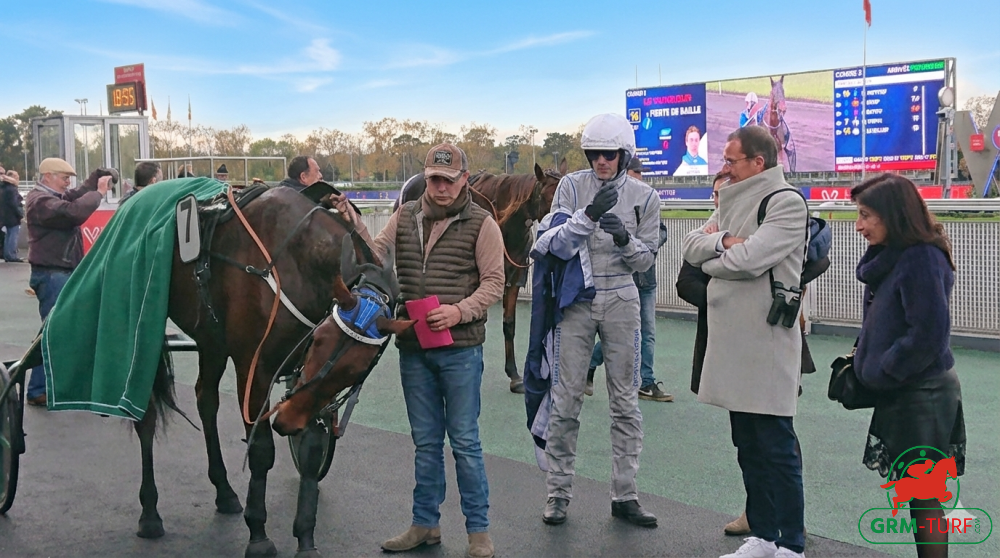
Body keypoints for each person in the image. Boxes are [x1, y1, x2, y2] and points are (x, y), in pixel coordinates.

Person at [329, 143, 503, 558]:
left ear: (464, 180)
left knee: (465, 442)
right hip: (413, 347)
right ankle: (425, 524)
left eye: (449, 180)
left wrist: (458, 311)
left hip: (461, 349)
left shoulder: (483, 224)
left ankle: (479, 532)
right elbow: (375, 256)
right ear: (426, 179)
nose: (441, 187)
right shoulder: (404, 216)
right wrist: (354, 223)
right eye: (434, 180)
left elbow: (494, 283)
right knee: (425, 443)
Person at [682, 126, 808, 558]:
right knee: (748, 445)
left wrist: (713, 260)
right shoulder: (732, 199)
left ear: (759, 162)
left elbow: (750, 260)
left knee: (777, 446)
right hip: (735, 340)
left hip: (767, 341)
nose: (725, 168)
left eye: (731, 161)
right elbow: (690, 246)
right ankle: (765, 536)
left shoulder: (786, 202)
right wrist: (722, 241)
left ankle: (792, 543)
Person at [535, 113, 660, 528]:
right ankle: (557, 493)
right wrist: (587, 216)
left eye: (609, 154)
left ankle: (626, 494)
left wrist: (624, 238)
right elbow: (552, 244)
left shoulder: (645, 196)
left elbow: (645, 263)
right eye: (594, 154)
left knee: (625, 403)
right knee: (566, 399)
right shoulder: (571, 187)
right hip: (578, 299)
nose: (601, 161)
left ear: (625, 155)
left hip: (623, 297)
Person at [852, 173, 964, 558]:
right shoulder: (895, 255)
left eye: (866, 215)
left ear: (894, 215)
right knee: (918, 494)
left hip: (923, 393)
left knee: (924, 494)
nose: (859, 225)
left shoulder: (920, 257)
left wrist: (885, 368)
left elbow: (929, 332)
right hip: (910, 390)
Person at [24, 158, 109, 407]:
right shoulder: (40, 202)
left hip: (58, 272)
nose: (67, 183)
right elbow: (74, 212)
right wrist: (99, 193)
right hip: (52, 274)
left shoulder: (49, 197)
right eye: (64, 178)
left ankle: (45, 386)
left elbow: (75, 196)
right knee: (53, 331)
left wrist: (96, 176)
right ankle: (38, 388)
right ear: (48, 176)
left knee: (58, 329)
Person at [585, 156, 671, 402]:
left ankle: (646, 381)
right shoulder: (610, 199)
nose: (639, 177)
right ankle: (590, 364)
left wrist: (638, 242)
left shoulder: (646, 199)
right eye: (635, 172)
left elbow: (660, 233)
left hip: (646, 280)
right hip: (623, 282)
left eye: (641, 173)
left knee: (647, 332)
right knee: (622, 334)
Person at [1, 168, 24, 262]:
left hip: (5, 216)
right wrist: (20, 214)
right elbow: (14, 204)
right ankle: (12, 255)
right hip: (13, 216)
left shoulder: (4, 188)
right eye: (17, 177)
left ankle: (7, 255)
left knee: (8, 236)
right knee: (13, 236)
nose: (18, 179)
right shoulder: (12, 189)